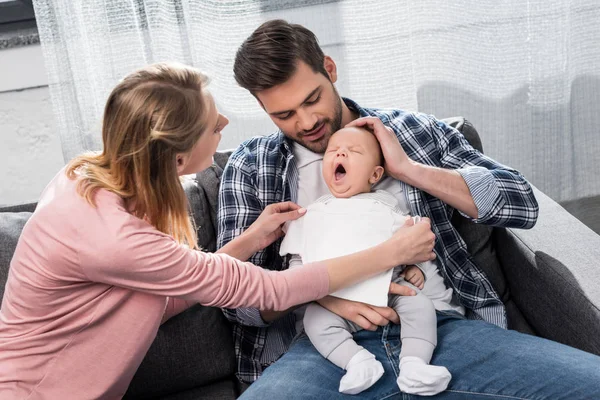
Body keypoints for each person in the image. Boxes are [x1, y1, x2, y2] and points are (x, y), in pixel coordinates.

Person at [0, 62, 436, 400]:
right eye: (213, 124)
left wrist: (252, 239)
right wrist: (390, 253)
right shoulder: (113, 236)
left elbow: (168, 293)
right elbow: (273, 292)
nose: (225, 123)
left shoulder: (84, 176)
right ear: (175, 157)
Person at [217, 19, 600, 399]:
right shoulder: (252, 167)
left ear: (330, 70)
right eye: (284, 115)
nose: (307, 122)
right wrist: (317, 293)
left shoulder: (413, 132)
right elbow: (235, 302)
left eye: (312, 99)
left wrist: (409, 169)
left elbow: (520, 203)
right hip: (321, 350)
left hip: (442, 329)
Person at [280, 126, 453, 395]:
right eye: (333, 151)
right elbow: (297, 267)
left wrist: (412, 267)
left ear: (375, 174)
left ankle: (414, 363)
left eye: (353, 151)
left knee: (419, 305)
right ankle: (357, 362)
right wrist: (309, 291)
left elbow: (411, 244)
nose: (340, 152)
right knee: (315, 320)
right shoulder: (309, 215)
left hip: (390, 293)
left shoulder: (384, 207)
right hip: (334, 301)